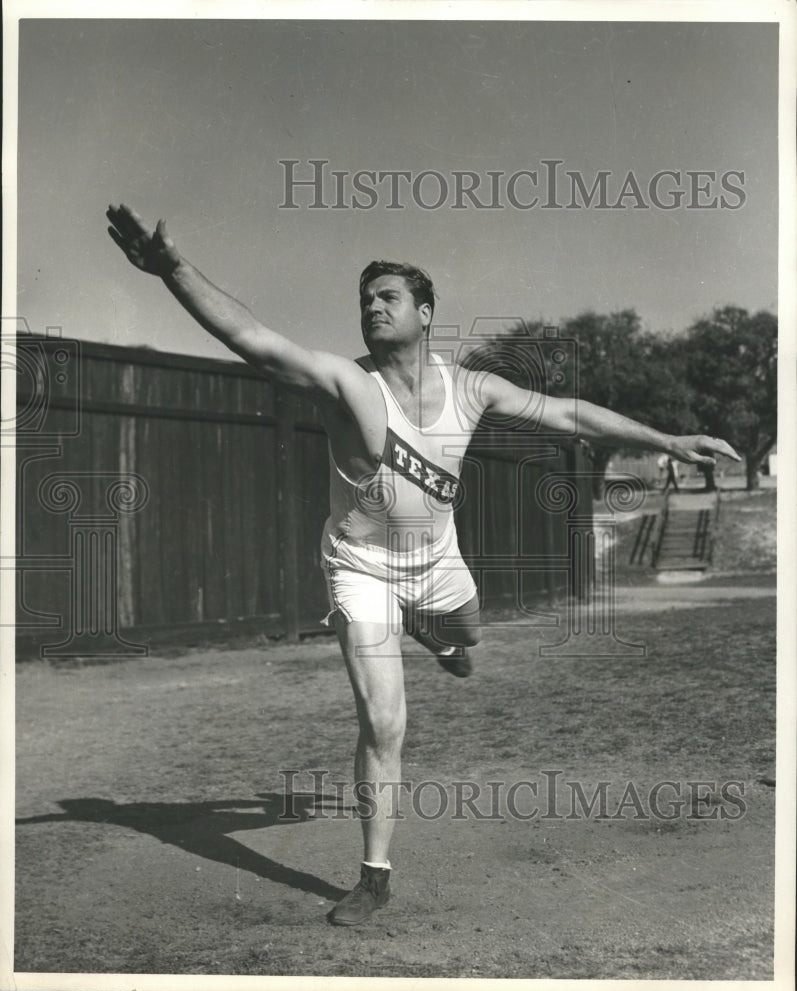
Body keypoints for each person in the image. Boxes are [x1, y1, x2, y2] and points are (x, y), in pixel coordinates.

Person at [106, 203, 741, 926]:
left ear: (425, 312)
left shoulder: (470, 388)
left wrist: (666, 438)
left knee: (468, 638)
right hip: (361, 567)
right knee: (383, 722)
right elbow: (251, 339)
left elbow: (569, 413)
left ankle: (438, 634)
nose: (372, 309)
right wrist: (173, 271)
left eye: (387, 298)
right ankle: (373, 877)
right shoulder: (347, 383)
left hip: (438, 562)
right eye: (364, 301)